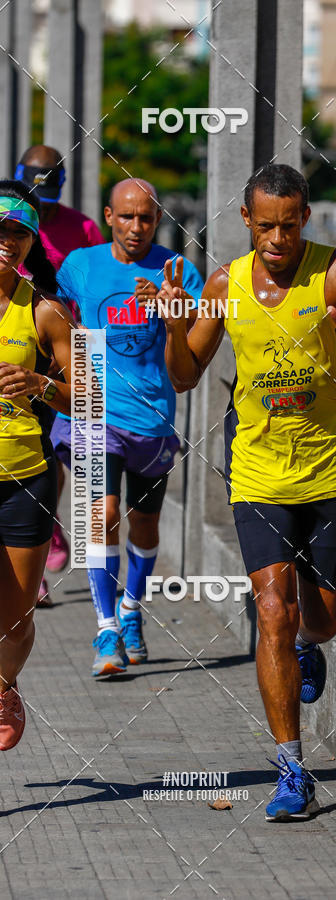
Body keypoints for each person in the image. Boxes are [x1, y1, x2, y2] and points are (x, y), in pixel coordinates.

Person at [162, 164, 336, 820]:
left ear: (306, 219)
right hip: (257, 473)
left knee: (320, 619)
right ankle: (292, 768)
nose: (277, 239)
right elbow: (184, 378)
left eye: (289, 226)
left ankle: (307, 646)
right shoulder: (224, 284)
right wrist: (176, 328)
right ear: (246, 221)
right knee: (271, 608)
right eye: (265, 226)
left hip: (325, 473)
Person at [50, 178, 203, 678]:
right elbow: (44, 311)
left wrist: (172, 309)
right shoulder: (80, 266)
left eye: (147, 217)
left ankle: (133, 608)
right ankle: (106, 627)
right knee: (103, 512)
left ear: (157, 219)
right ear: (109, 216)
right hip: (93, 408)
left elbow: (196, 352)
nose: (137, 227)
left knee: (144, 523)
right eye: (127, 216)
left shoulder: (178, 270)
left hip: (152, 416)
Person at [0, 180, 74, 749]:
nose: (8, 241)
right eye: (0, 229)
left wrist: (41, 383)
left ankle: (4, 684)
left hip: (24, 476)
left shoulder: (45, 311)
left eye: (19, 232)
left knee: (17, 617)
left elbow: (90, 396)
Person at [15, 145, 105, 604]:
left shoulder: (83, 227)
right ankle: (44, 539)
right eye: (36, 192)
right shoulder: (9, 217)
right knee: (38, 445)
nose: (43, 203)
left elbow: (93, 288)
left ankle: (48, 524)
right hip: (19, 342)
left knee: (65, 446)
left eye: (50, 194)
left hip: (67, 346)